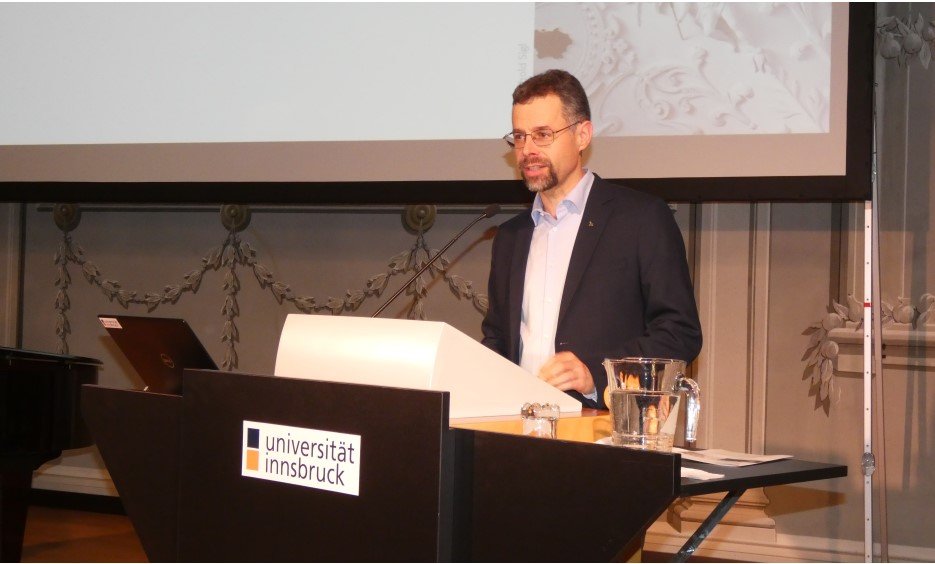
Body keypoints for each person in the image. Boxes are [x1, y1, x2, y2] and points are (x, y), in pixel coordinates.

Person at [481, 69, 702, 409]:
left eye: (542, 135)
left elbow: (679, 334)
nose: (527, 150)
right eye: (520, 137)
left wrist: (597, 375)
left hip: (603, 431)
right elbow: (498, 340)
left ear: (583, 135)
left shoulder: (640, 219)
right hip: (516, 429)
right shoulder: (512, 236)